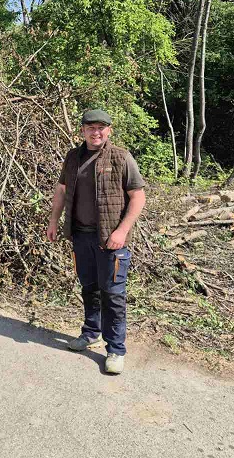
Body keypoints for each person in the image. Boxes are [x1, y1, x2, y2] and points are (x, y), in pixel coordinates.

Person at [46, 109, 146, 375]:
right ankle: (91, 333)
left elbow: (138, 197)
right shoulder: (73, 157)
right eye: (90, 127)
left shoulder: (121, 157)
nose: (96, 132)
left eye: (101, 127)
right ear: (82, 130)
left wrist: (121, 231)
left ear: (109, 130)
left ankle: (116, 350)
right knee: (89, 287)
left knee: (113, 294)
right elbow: (61, 190)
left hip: (110, 240)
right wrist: (54, 221)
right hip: (80, 235)